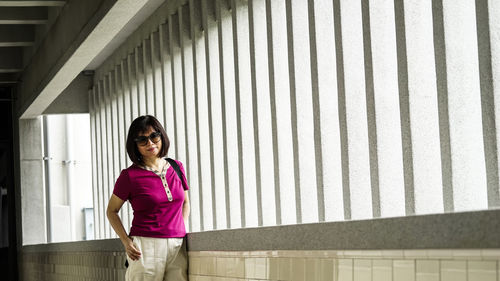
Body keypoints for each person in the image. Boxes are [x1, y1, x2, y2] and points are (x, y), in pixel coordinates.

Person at [106, 115, 190, 281]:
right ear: (135, 145)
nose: (150, 143)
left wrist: (182, 227)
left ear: (161, 136)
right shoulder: (129, 176)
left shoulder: (176, 167)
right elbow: (111, 211)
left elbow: (185, 202)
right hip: (145, 246)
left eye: (154, 136)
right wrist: (126, 241)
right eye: (142, 140)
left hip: (177, 245)